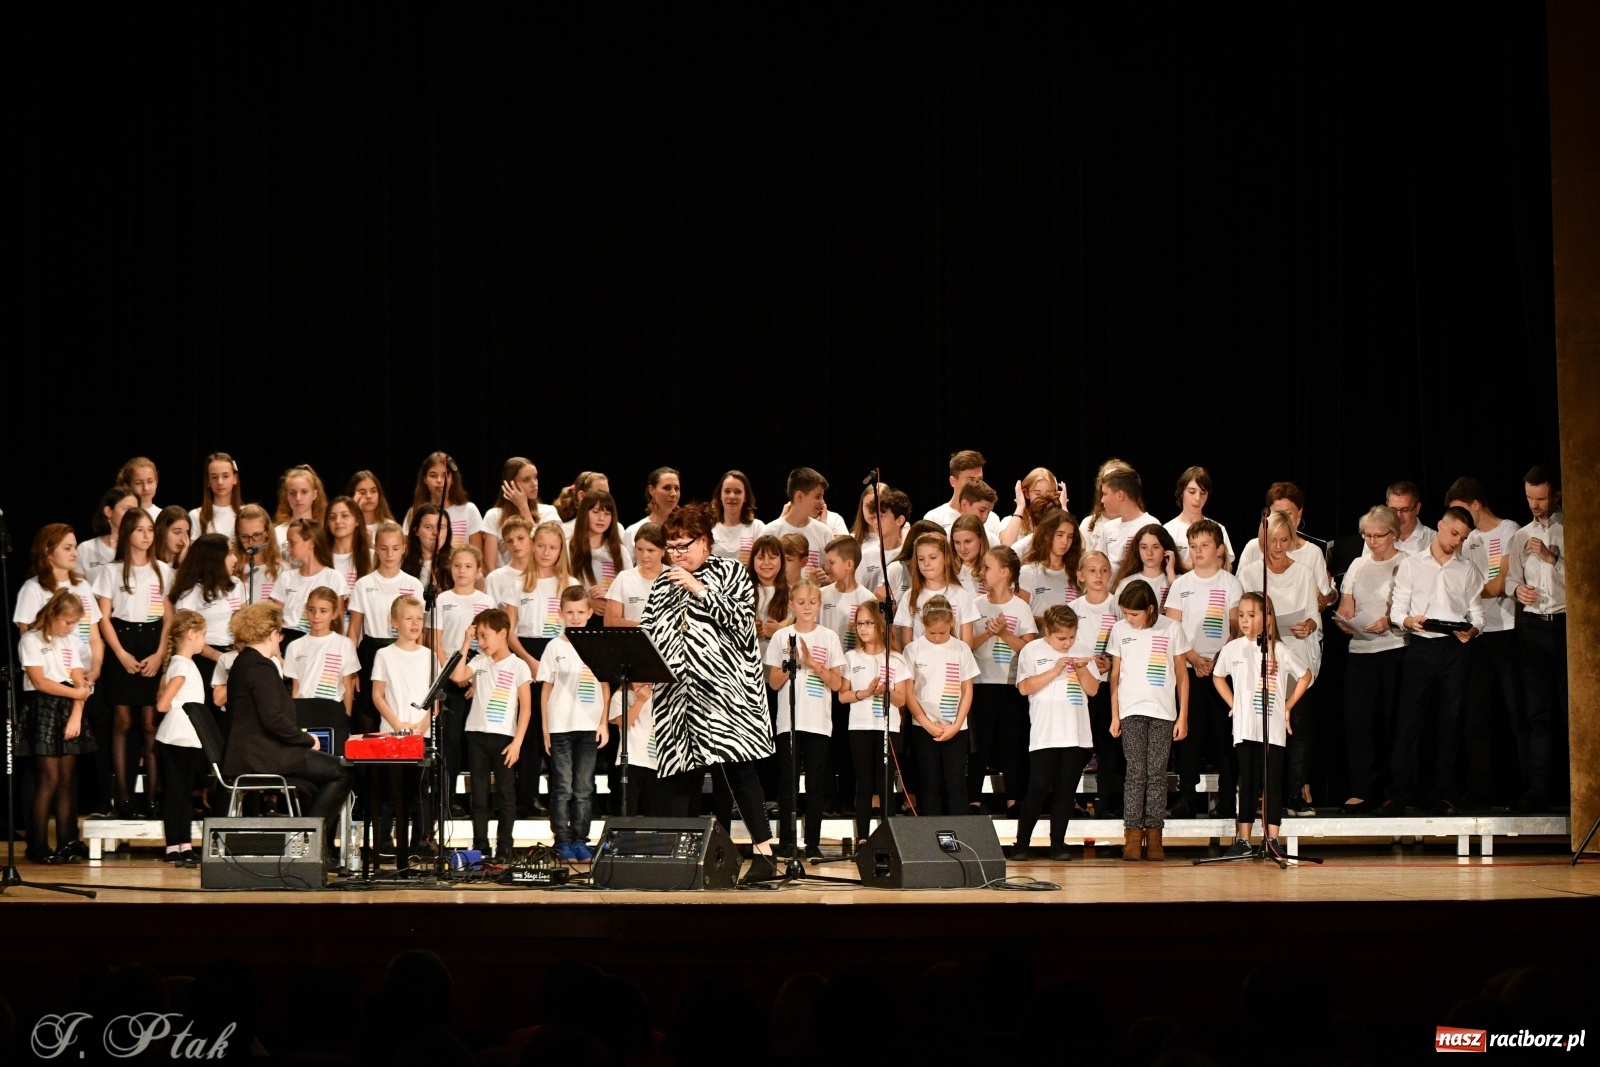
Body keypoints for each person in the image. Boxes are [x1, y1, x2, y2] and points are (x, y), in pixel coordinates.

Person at [638, 503, 779, 884]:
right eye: (671, 547)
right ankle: (682, 857)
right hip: (677, 697)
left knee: (739, 771)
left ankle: (765, 854)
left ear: (704, 543)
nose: (676, 554)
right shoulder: (663, 583)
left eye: (683, 546)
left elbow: (740, 622)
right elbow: (650, 630)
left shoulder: (731, 572)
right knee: (679, 775)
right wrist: (644, 669)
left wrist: (699, 589)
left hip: (725, 696)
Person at [222, 603, 351, 866]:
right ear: (271, 633)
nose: (281, 638)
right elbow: (273, 719)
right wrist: (307, 740)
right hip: (263, 755)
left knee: (320, 781)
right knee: (343, 770)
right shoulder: (259, 666)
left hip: (259, 751)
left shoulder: (245, 662)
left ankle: (316, 846)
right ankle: (311, 843)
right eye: (280, 633)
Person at [1380, 507, 1484, 817]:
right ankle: (1398, 793)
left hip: (1453, 649)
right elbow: (1398, 610)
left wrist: (1473, 630)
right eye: (1454, 534)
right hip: (1421, 649)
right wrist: (1410, 620)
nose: (1457, 542)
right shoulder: (1412, 564)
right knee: (1409, 721)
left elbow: (1476, 614)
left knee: (1449, 723)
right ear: (1440, 525)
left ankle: (1443, 794)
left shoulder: (1467, 570)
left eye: (1463, 538)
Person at [1237, 510, 1323, 817]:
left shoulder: (1303, 571)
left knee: (1297, 726)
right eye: (1272, 540)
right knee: (1261, 729)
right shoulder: (1250, 572)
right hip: (1262, 657)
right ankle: (1263, 796)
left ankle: (1294, 794)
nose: (1278, 546)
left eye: (1284, 540)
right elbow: (1242, 615)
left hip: (1296, 654)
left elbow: (1315, 614)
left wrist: (1309, 625)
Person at [1446, 478, 1522, 810]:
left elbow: (1503, 582)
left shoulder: (1508, 530)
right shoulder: (1469, 538)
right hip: (1475, 634)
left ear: (1476, 504)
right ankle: (1480, 787)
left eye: (1463, 510)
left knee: (1516, 711)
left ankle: (1527, 787)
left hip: (1505, 630)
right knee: (1474, 714)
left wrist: (1465, 594)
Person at [1214, 593, 1309, 860]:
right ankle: (1243, 839)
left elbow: (1305, 675)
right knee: (1248, 781)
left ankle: (1272, 838)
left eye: (1251, 615)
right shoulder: (1233, 649)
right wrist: (1234, 703)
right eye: (1241, 615)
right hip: (1245, 727)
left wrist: (1288, 706)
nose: (1244, 621)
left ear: (1267, 618)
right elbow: (1218, 676)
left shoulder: (1278, 649)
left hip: (1273, 726)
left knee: (1272, 784)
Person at [93, 508, 173, 818]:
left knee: (150, 722)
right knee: (123, 721)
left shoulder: (163, 570)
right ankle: (123, 797)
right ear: (127, 533)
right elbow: (103, 617)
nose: (146, 535)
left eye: (150, 530)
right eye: (139, 530)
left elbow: (169, 618)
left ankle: (152, 798)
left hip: (152, 642)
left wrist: (160, 654)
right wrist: (121, 654)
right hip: (122, 643)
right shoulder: (111, 571)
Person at [1164, 520, 1242, 819]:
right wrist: (1194, 659)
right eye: (1193, 546)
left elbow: (1235, 624)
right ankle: (1187, 798)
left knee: (1225, 737)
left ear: (1219, 550)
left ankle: (1226, 799)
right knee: (1188, 736)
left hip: (1222, 671)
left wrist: (1217, 661)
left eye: (1205, 545)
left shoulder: (1229, 583)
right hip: (1189, 670)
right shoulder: (1181, 585)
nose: (1198, 551)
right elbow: (1172, 628)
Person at [1332, 506, 1407, 814]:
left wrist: (1389, 620)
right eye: (1367, 535)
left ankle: (1393, 791)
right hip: (1361, 652)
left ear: (1395, 534)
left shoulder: (1406, 564)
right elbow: (1346, 607)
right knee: (1358, 724)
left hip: (1394, 650)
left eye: (1379, 535)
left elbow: (1413, 607)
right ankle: (1362, 790)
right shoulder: (1357, 565)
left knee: (1392, 724)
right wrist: (1344, 622)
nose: (1372, 541)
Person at [1108, 580, 1188, 861]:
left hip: (1163, 711)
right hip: (1131, 710)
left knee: (1156, 774)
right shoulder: (1119, 631)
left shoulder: (1171, 628)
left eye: (1134, 614)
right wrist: (1115, 714)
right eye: (1126, 614)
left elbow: (1181, 674)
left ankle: (1154, 834)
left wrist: (1183, 715)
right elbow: (1115, 675)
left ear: (1150, 609)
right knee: (1135, 773)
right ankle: (1132, 833)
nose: (1128, 619)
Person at [1012, 608, 1101, 861]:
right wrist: (1056, 669)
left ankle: (1058, 844)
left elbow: (1093, 690)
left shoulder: (1082, 647)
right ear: (1047, 632)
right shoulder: (1033, 651)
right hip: (1045, 733)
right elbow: (1024, 687)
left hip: (1076, 733)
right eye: (1062, 638)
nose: (1068, 643)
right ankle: (1021, 844)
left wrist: (1081, 668)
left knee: (1066, 790)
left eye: (1071, 637)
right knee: (1038, 787)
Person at [766, 580, 845, 861]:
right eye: (801, 602)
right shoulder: (781, 637)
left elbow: (836, 684)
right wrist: (793, 663)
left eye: (812, 602)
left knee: (815, 784)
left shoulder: (828, 638)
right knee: (787, 784)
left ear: (819, 605)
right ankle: (787, 842)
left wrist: (813, 665)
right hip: (789, 721)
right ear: (791, 604)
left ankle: (812, 843)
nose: (807, 607)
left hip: (818, 722)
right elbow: (773, 683)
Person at [1503, 465, 1565, 813]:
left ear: (1555, 495)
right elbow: (1510, 579)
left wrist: (1551, 558)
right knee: (1536, 713)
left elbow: (1586, 580)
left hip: (1567, 625)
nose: (1535, 505)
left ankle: (1581, 790)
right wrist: (1518, 590)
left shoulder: (1570, 529)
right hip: (1532, 629)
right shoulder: (1520, 534)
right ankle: (1537, 790)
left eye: (1541, 498)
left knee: (1573, 711)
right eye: (1530, 498)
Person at [450, 608, 533, 862]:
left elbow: (526, 708)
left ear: (503, 633)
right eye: (478, 638)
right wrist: (466, 641)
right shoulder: (479, 661)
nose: (481, 643)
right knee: (479, 792)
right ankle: (481, 845)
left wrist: (517, 742)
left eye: (485, 636)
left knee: (506, 794)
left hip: (504, 738)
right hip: (476, 734)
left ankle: (505, 846)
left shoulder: (519, 666)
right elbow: (457, 675)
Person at [18, 590, 93, 863]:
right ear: (52, 616)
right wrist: (78, 695)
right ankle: (37, 845)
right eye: (67, 622)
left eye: (74, 623)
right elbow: (39, 681)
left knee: (66, 781)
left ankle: (66, 842)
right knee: (47, 780)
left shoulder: (69, 641)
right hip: (44, 707)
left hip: (67, 708)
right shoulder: (31, 640)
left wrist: (76, 712)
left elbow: (78, 679)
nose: (71, 628)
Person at [536, 588, 609, 862]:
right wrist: (545, 729)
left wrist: (603, 723)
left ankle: (580, 840)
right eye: (570, 612)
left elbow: (604, 686)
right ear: (561, 614)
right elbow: (546, 690)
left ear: (590, 613)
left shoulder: (595, 645)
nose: (575, 617)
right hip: (560, 726)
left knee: (584, 788)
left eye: (581, 612)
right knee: (563, 787)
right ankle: (562, 841)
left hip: (589, 725)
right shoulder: (555, 646)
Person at [968, 546, 1036, 816]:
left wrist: (1005, 633)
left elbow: (1029, 649)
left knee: (1012, 744)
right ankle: (973, 799)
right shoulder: (976, 605)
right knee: (978, 746)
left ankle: (1014, 799)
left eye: (987, 568)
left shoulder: (1020, 607)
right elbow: (967, 644)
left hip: (1010, 686)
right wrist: (987, 633)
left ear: (1005, 572)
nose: (982, 573)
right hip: (981, 684)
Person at [841, 601, 910, 847]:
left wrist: (885, 691)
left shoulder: (896, 660)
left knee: (884, 783)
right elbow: (843, 695)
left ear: (881, 626)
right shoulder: (851, 657)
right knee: (864, 783)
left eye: (869, 623)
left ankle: (888, 836)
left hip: (887, 729)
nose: (863, 628)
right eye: (860, 623)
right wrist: (865, 692)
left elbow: (902, 699)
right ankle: (862, 837)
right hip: (859, 727)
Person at [370, 594, 435, 852]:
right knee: (389, 793)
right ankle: (385, 843)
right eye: (408, 618)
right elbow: (377, 694)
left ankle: (419, 843)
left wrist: (422, 724)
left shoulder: (430, 656)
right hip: (391, 733)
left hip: (421, 733)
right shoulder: (385, 655)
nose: (415, 623)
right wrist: (396, 722)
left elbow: (435, 697)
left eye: (419, 618)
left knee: (419, 793)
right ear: (394, 622)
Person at [348, 522, 427, 734]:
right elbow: (354, 629)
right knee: (368, 715)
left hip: (402, 651)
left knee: (398, 710)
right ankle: (371, 767)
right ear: (376, 547)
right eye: (383, 548)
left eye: (395, 548)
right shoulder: (364, 584)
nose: (389, 554)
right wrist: (352, 668)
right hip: (371, 650)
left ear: (404, 548)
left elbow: (418, 628)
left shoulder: (413, 584)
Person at [904, 597, 979, 817]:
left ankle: (959, 834)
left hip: (955, 728)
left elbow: (967, 691)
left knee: (955, 782)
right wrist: (926, 723)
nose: (937, 638)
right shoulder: (913, 650)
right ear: (923, 625)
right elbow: (909, 692)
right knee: (929, 782)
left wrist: (956, 725)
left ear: (952, 626)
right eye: (932, 633)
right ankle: (930, 836)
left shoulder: (961, 649)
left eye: (943, 633)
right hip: (924, 727)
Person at [1069, 550, 1122, 819]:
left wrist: (1111, 663)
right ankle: (1070, 801)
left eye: (1103, 570)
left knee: (1108, 747)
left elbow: (1128, 642)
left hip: (1110, 687)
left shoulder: (1117, 606)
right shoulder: (1075, 610)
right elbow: (1066, 643)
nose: (1098, 575)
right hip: (1081, 687)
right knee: (1079, 746)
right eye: (1092, 570)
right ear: (1080, 576)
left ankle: (1106, 806)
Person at [153, 610, 209, 867]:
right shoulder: (181, 665)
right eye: (203, 635)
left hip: (188, 737)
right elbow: (163, 704)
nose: (204, 640)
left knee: (185, 793)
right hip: (176, 736)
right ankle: (172, 846)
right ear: (191, 634)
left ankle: (184, 844)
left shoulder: (186, 663)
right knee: (176, 793)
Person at [893, 532, 979, 647]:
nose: (926, 563)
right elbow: (906, 641)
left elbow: (967, 642)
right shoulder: (910, 596)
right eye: (921, 559)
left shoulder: (962, 595)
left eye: (933, 557)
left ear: (947, 559)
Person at [283, 587, 359, 715]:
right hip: (304, 710)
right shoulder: (295, 646)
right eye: (311, 610)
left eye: (323, 611)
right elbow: (296, 686)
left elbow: (347, 686)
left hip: (333, 711)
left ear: (334, 614)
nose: (316, 616)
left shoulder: (344, 644)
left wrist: (347, 719)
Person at [481, 457, 558, 568]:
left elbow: (544, 546)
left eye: (535, 478)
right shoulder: (494, 515)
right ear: (510, 484)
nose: (534, 484)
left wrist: (523, 507)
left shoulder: (548, 511)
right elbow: (490, 565)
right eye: (526, 480)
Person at [403, 452, 484, 557]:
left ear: (453, 479)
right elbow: (407, 552)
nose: (439, 480)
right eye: (433, 475)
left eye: (445, 475)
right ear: (425, 479)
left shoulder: (469, 510)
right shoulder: (415, 512)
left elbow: (477, 556)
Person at [569, 490, 632, 622]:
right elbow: (560, 587)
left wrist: (610, 597)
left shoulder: (620, 551)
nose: (601, 518)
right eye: (596, 512)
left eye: (607, 513)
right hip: (577, 621)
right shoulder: (569, 548)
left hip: (611, 621)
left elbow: (630, 591)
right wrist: (587, 602)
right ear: (584, 513)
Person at [766, 468, 834, 578]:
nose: (822, 502)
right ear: (799, 496)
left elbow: (833, 576)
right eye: (817, 496)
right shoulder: (770, 532)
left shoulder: (824, 532)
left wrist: (827, 580)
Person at [1164, 466, 1235, 571]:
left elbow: (1224, 565)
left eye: (1203, 493)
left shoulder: (1218, 529)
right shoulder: (1168, 530)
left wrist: (1181, 564)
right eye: (1192, 492)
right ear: (1181, 492)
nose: (1197, 498)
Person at [923, 450, 1004, 540]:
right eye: (970, 480)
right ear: (953, 481)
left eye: (980, 479)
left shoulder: (991, 518)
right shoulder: (934, 518)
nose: (976, 484)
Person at [1096, 468, 1158, 576]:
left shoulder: (1151, 525)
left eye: (1105, 494)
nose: (1102, 500)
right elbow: (1099, 564)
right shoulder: (1108, 527)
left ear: (1120, 495)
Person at [605, 522, 665, 627]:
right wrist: (646, 629)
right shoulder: (624, 578)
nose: (644, 555)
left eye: (651, 550)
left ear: (663, 551)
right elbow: (610, 622)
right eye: (640, 549)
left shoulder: (675, 577)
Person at [1113, 523, 1179, 609]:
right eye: (1144, 547)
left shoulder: (1178, 581)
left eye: (1155, 547)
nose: (1149, 553)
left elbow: (1183, 610)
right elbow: (1118, 616)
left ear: (1166, 549)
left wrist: (1171, 574)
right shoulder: (1126, 583)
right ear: (1138, 550)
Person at [621, 467, 681, 556]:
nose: (673, 494)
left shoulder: (686, 529)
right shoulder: (633, 531)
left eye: (676, 488)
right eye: (667, 488)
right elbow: (626, 567)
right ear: (652, 490)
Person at [710, 470, 766, 564]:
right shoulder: (709, 527)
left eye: (738, 492)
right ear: (720, 495)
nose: (732, 496)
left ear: (745, 497)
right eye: (727, 491)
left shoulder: (757, 528)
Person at [1371, 480, 1436, 557]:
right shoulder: (1375, 536)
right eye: (1393, 510)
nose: (1398, 516)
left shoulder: (1433, 539)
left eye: (1405, 510)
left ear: (1417, 508)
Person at [189, 453, 242, 539]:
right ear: (208, 481)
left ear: (234, 479)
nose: (220, 482)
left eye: (225, 476)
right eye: (214, 477)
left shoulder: (245, 514)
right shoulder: (197, 515)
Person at [347, 469, 397, 542]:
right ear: (352, 497)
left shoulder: (390, 527)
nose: (369, 496)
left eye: (373, 491)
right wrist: (354, 511)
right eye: (362, 492)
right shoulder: (346, 528)